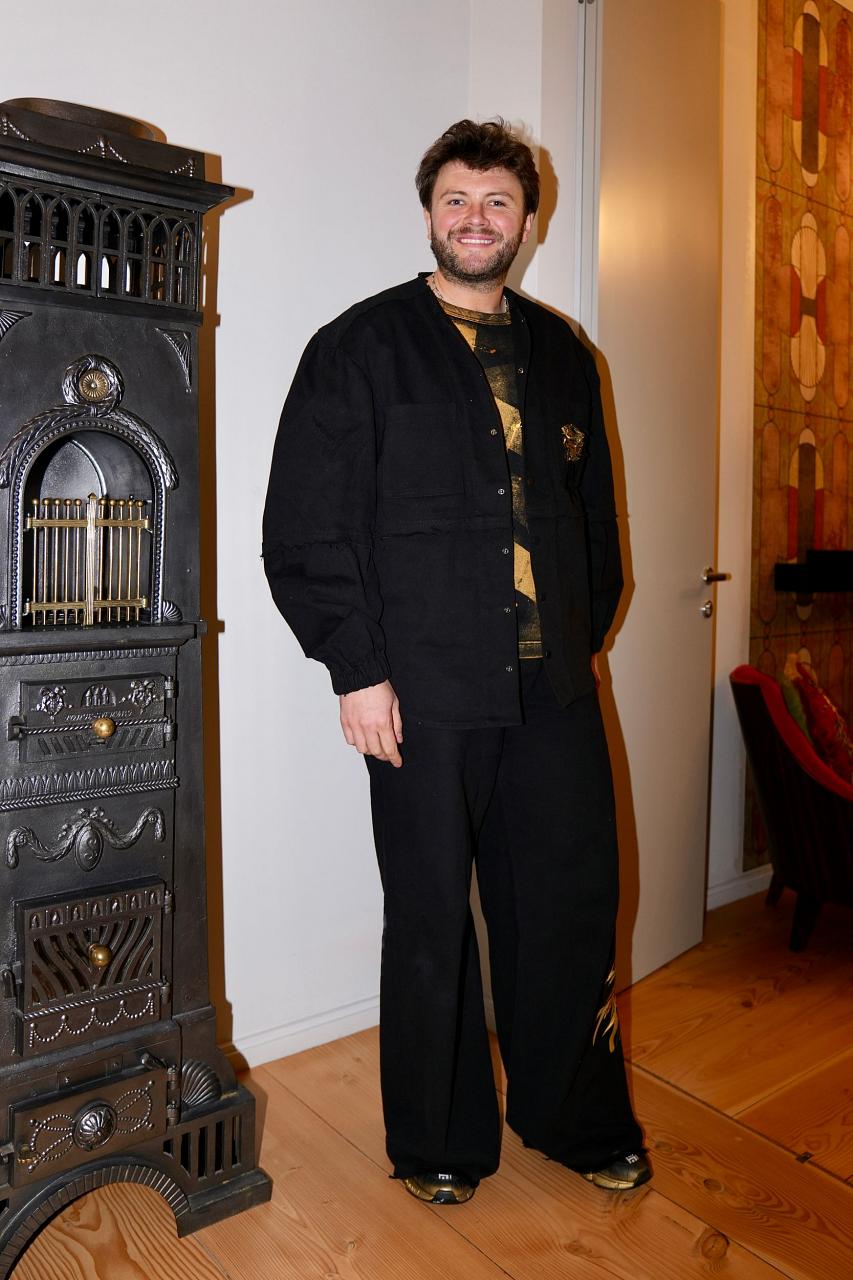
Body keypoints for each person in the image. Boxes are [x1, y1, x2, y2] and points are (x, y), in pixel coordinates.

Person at [263, 118, 648, 1206]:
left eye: (497, 203)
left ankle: (571, 1115)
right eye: (456, 201)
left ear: (527, 221)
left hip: (552, 690)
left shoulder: (565, 354)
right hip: (421, 691)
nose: (476, 220)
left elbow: (592, 523)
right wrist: (356, 669)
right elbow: (306, 525)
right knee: (432, 916)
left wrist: (579, 641)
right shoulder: (359, 347)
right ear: (429, 213)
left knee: (570, 903)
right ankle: (437, 1141)